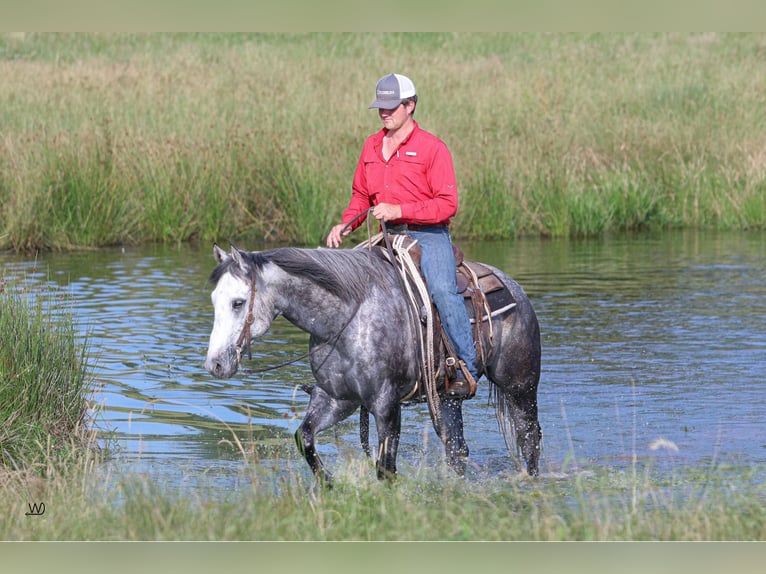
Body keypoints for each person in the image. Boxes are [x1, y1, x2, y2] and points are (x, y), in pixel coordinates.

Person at [326, 73, 478, 397]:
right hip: (386, 237)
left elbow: (447, 204)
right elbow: (360, 197)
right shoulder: (370, 145)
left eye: (391, 107)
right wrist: (346, 225)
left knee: (442, 291)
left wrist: (399, 210)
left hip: (428, 236)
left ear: (410, 105)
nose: (384, 113)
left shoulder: (433, 148)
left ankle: (466, 366)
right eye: (380, 107)